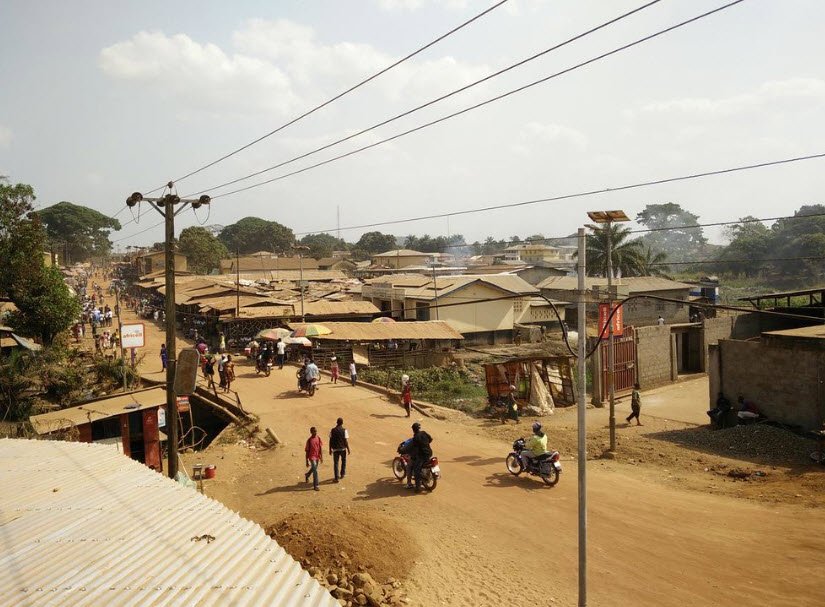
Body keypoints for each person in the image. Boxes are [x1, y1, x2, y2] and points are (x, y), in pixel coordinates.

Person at [408, 422, 433, 493]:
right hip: (429, 452)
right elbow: (431, 439)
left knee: (416, 470)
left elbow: (414, 448)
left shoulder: (415, 437)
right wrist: (425, 444)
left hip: (422, 456)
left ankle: (418, 487)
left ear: (413, 430)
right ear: (419, 428)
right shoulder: (424, 433)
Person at [329, 418, 350, 483]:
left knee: (336, 463)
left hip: (335, 449)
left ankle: (336, 478)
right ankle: (342, 474)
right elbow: (346, 441)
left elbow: (330, 440)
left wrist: (329, 449)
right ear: (342, 423)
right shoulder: (344, 430)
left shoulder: (332, 430)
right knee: (343, 461)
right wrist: (348, 449)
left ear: (336, 422)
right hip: (343, 449)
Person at [304, 427, 323, 491]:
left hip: (317, 456)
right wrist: (306, 461)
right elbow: (307, 451)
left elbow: (320, 448)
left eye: (316, 431)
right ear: (311, 432)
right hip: (311, 457)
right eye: (314, 431)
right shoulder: (309, 441)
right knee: (315, 471)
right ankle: (316, 485)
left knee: (314, 468)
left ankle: (307, 475)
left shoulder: (318, 438)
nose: (315, 433)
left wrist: (321, 457)